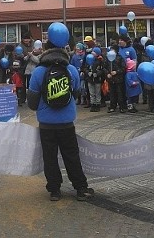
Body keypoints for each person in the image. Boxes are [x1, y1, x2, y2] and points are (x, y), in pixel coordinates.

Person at [27, 35, 95, 202]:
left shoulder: (38, 72)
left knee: (49, 157)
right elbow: (78, 93)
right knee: (71, 155)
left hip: (46, 124)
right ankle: (80, 188)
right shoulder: (71, 70)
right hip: (66, 122)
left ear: (46, 49)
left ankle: (55, 190)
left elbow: (32, 104)